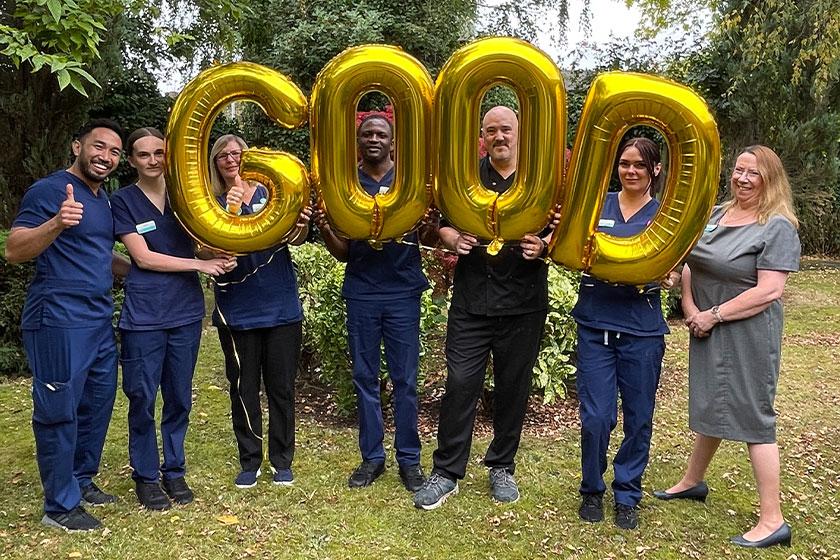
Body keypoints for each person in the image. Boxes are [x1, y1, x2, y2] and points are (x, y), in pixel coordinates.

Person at [654, 145, 800, 549]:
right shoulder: (717, 214)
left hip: (747, 331)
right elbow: (689, 263)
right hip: (707, 323)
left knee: (754, 416)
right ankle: (692, 481)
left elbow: (770, 290)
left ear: (769, 178)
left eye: (753, 173)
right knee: (712, 402)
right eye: (738, 170)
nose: (743, 179)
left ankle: (773, 519)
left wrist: (714, 314)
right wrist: (690, 308)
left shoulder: (777, 225)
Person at [414, 106, 551, 510]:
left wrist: (544, 246)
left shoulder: (540, 181)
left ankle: (502, 467)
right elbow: (434, 220)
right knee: (460, 384)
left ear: (519, 134)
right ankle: (446, 472)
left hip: (524, 302)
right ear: (482, 138)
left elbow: (563, 227)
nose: (499, 137)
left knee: (513, 387)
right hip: (472, 300)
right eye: (491, 131)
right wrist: (451, 237)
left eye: (506, 130)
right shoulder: (464, 179)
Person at [5, 119, 130, 531]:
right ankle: (59, 505)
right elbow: (15, 249)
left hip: (97, 317)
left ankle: (80, 480)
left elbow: (97, 255)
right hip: (58, 317)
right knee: (59, 409)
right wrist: (56, 222)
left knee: (97, 402)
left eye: (114, 152)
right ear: (77, 146)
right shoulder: (50, 191)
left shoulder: (103, 199)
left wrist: (144, 270)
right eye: (98, 147)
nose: (106, 157)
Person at [110, 128, 236, 510]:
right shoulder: (123, 201)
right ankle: (146, 476)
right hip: (145, 315)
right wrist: (201, 264)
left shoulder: (186, 198)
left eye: (159, 153)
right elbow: (143, 258)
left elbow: (203, 240)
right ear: (131, 160)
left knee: (179, 396)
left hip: (184, 312)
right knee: (143, 397)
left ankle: (175, 470)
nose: (152, 161)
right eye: (143, 155)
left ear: (168, 155)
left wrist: (223, 242)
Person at [315, 114, 430, 492]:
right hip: (362, 291)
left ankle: (409, 460)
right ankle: (372, 458)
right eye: (368, 134)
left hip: (403, 293)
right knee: (365, 378)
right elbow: (344, 254)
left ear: (393, 142)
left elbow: (430, 229)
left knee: (405, 380)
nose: (375, 139)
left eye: (382, 133)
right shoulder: (346, 185)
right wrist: (326, 227)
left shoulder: (411, 182)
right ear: (358, 140)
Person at [572, 137, 677, 530]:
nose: (630, 171)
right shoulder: (597, 206)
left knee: (638, 418)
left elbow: (678, 268)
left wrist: (671, 276)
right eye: (624, 163)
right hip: (596, 324)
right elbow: (573, 249)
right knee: (596, 417)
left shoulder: (666, 215)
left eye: (638, 165)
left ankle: (628, 493)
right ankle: (592, 489)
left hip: (642, 331)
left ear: (655, 170)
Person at [210, 134, 310, 489]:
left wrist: (300, 226)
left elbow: (296, 237)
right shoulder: (209, 204)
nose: (231, 159)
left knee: (281, 388)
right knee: (243, 388)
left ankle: (282, 460)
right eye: (223, 155)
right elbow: (205, 252)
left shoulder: (272, 194)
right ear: (215, 162)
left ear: (249, 157)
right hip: (237, 310)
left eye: (237, 153)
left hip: (281, 306)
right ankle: (250, 460)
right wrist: (231, 210)